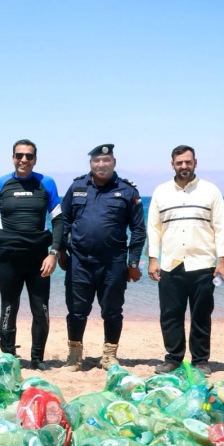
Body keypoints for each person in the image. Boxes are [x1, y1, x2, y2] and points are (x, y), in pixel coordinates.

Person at [59, 144, 146, 371]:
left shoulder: (127, 190)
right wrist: (60, 251)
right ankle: (74, 356)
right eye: (96, 160)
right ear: (90, 164)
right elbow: (63, 220)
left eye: (106, 160)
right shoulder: (77, 187)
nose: (101, 164)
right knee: (76, 311)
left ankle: (109, 356)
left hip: (113, 263)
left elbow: (138, 230)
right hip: (79, 262)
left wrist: (133, 262)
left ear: (114, 162)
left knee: (112, 311)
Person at [146, 145, 224, 377]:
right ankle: (173, 359)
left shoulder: (210, 191)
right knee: (170, 315)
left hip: (203, 264)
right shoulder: (161, 192)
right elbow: (153, 228)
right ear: (172, 164)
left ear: (195, 163)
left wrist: (223, 260)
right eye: (179, 162)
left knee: (201, 315)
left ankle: (200, 360)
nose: (184, 166)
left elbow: (221, 227)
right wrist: (153, 259)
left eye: (188, 162)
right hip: (170, 264)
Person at [0, 139, 62, 371]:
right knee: (8, 308)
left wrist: (53, 254)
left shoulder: (46, 183)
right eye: (19, 155)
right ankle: (9, 358)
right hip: (9, 258)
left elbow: (59, 221)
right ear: (13, 158)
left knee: (41, 310)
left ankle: (37, 359)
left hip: (39, 259)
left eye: (29, 156)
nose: (24, 160)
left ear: (35, 159)